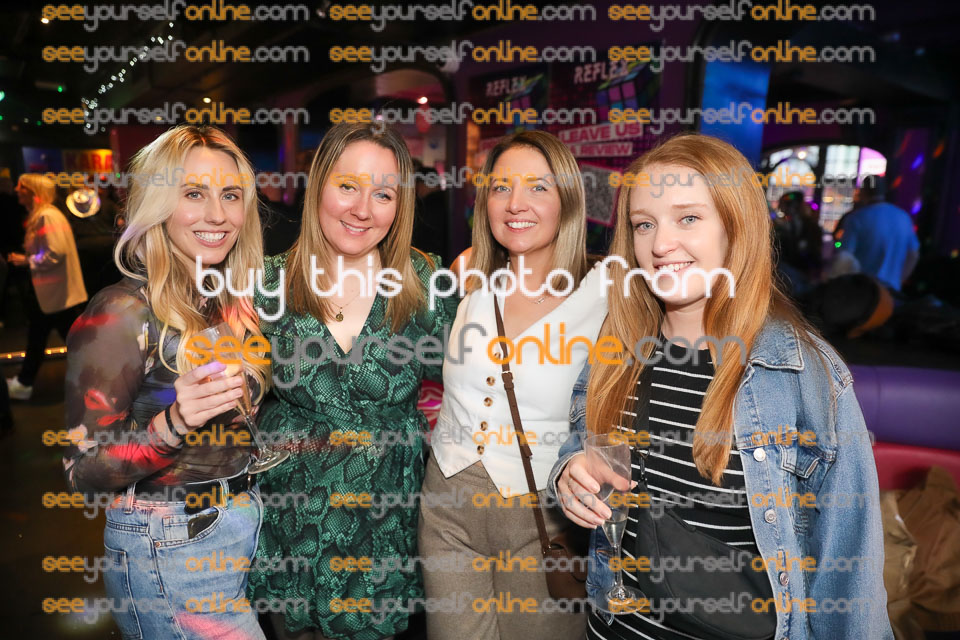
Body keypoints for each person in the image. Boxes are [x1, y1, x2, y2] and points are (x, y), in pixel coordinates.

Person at [550, 134, 892, 639]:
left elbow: (849, 576)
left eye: (688, 218)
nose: (660, 244)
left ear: (736, 227)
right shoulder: (616, 347)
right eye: (644, 224)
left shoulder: (802, 375)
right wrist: (568, 475)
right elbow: (584, 449)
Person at [246, 122, 458, 640]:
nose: (363, 209)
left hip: (385, 528)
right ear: (318, 184)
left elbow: (480, 385)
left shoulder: (426, 285)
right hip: (292, 523)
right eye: (348, 186)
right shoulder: (266, 283)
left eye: (383, 194)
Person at [62, 124, 270, 640]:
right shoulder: (121, 311)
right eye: (193, 193)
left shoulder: (220, 296)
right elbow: (82, 470)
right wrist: (174, 422)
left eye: (230, 195)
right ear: (156, 204)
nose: (217, 215)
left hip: (231, 526)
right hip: (169, 543)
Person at [418, 130, 607, 640]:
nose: (515, 203)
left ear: (568, 198)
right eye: (501, 187)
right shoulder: (468, 274)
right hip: (447, 506)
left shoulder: (607, 294)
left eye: (538, 187)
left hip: (544, 514)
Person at [6, 174, 88, 400]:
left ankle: (24, 383)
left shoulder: (47, 216)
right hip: (53, 294)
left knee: (46, 338)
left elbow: (55, 253)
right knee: (61, 339)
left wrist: (27, 261)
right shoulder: (45, 215)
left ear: (34, 191)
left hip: (55, 294)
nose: (16, 189)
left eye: (21, 186)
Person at [833, 175, 919, 292]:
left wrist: (837, 244)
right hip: (891, 290)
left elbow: (844, 256)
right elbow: (913, 254)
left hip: (862, 290)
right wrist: (898, 279)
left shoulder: (856, 218)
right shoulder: (903, 217)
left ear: (863, 191)